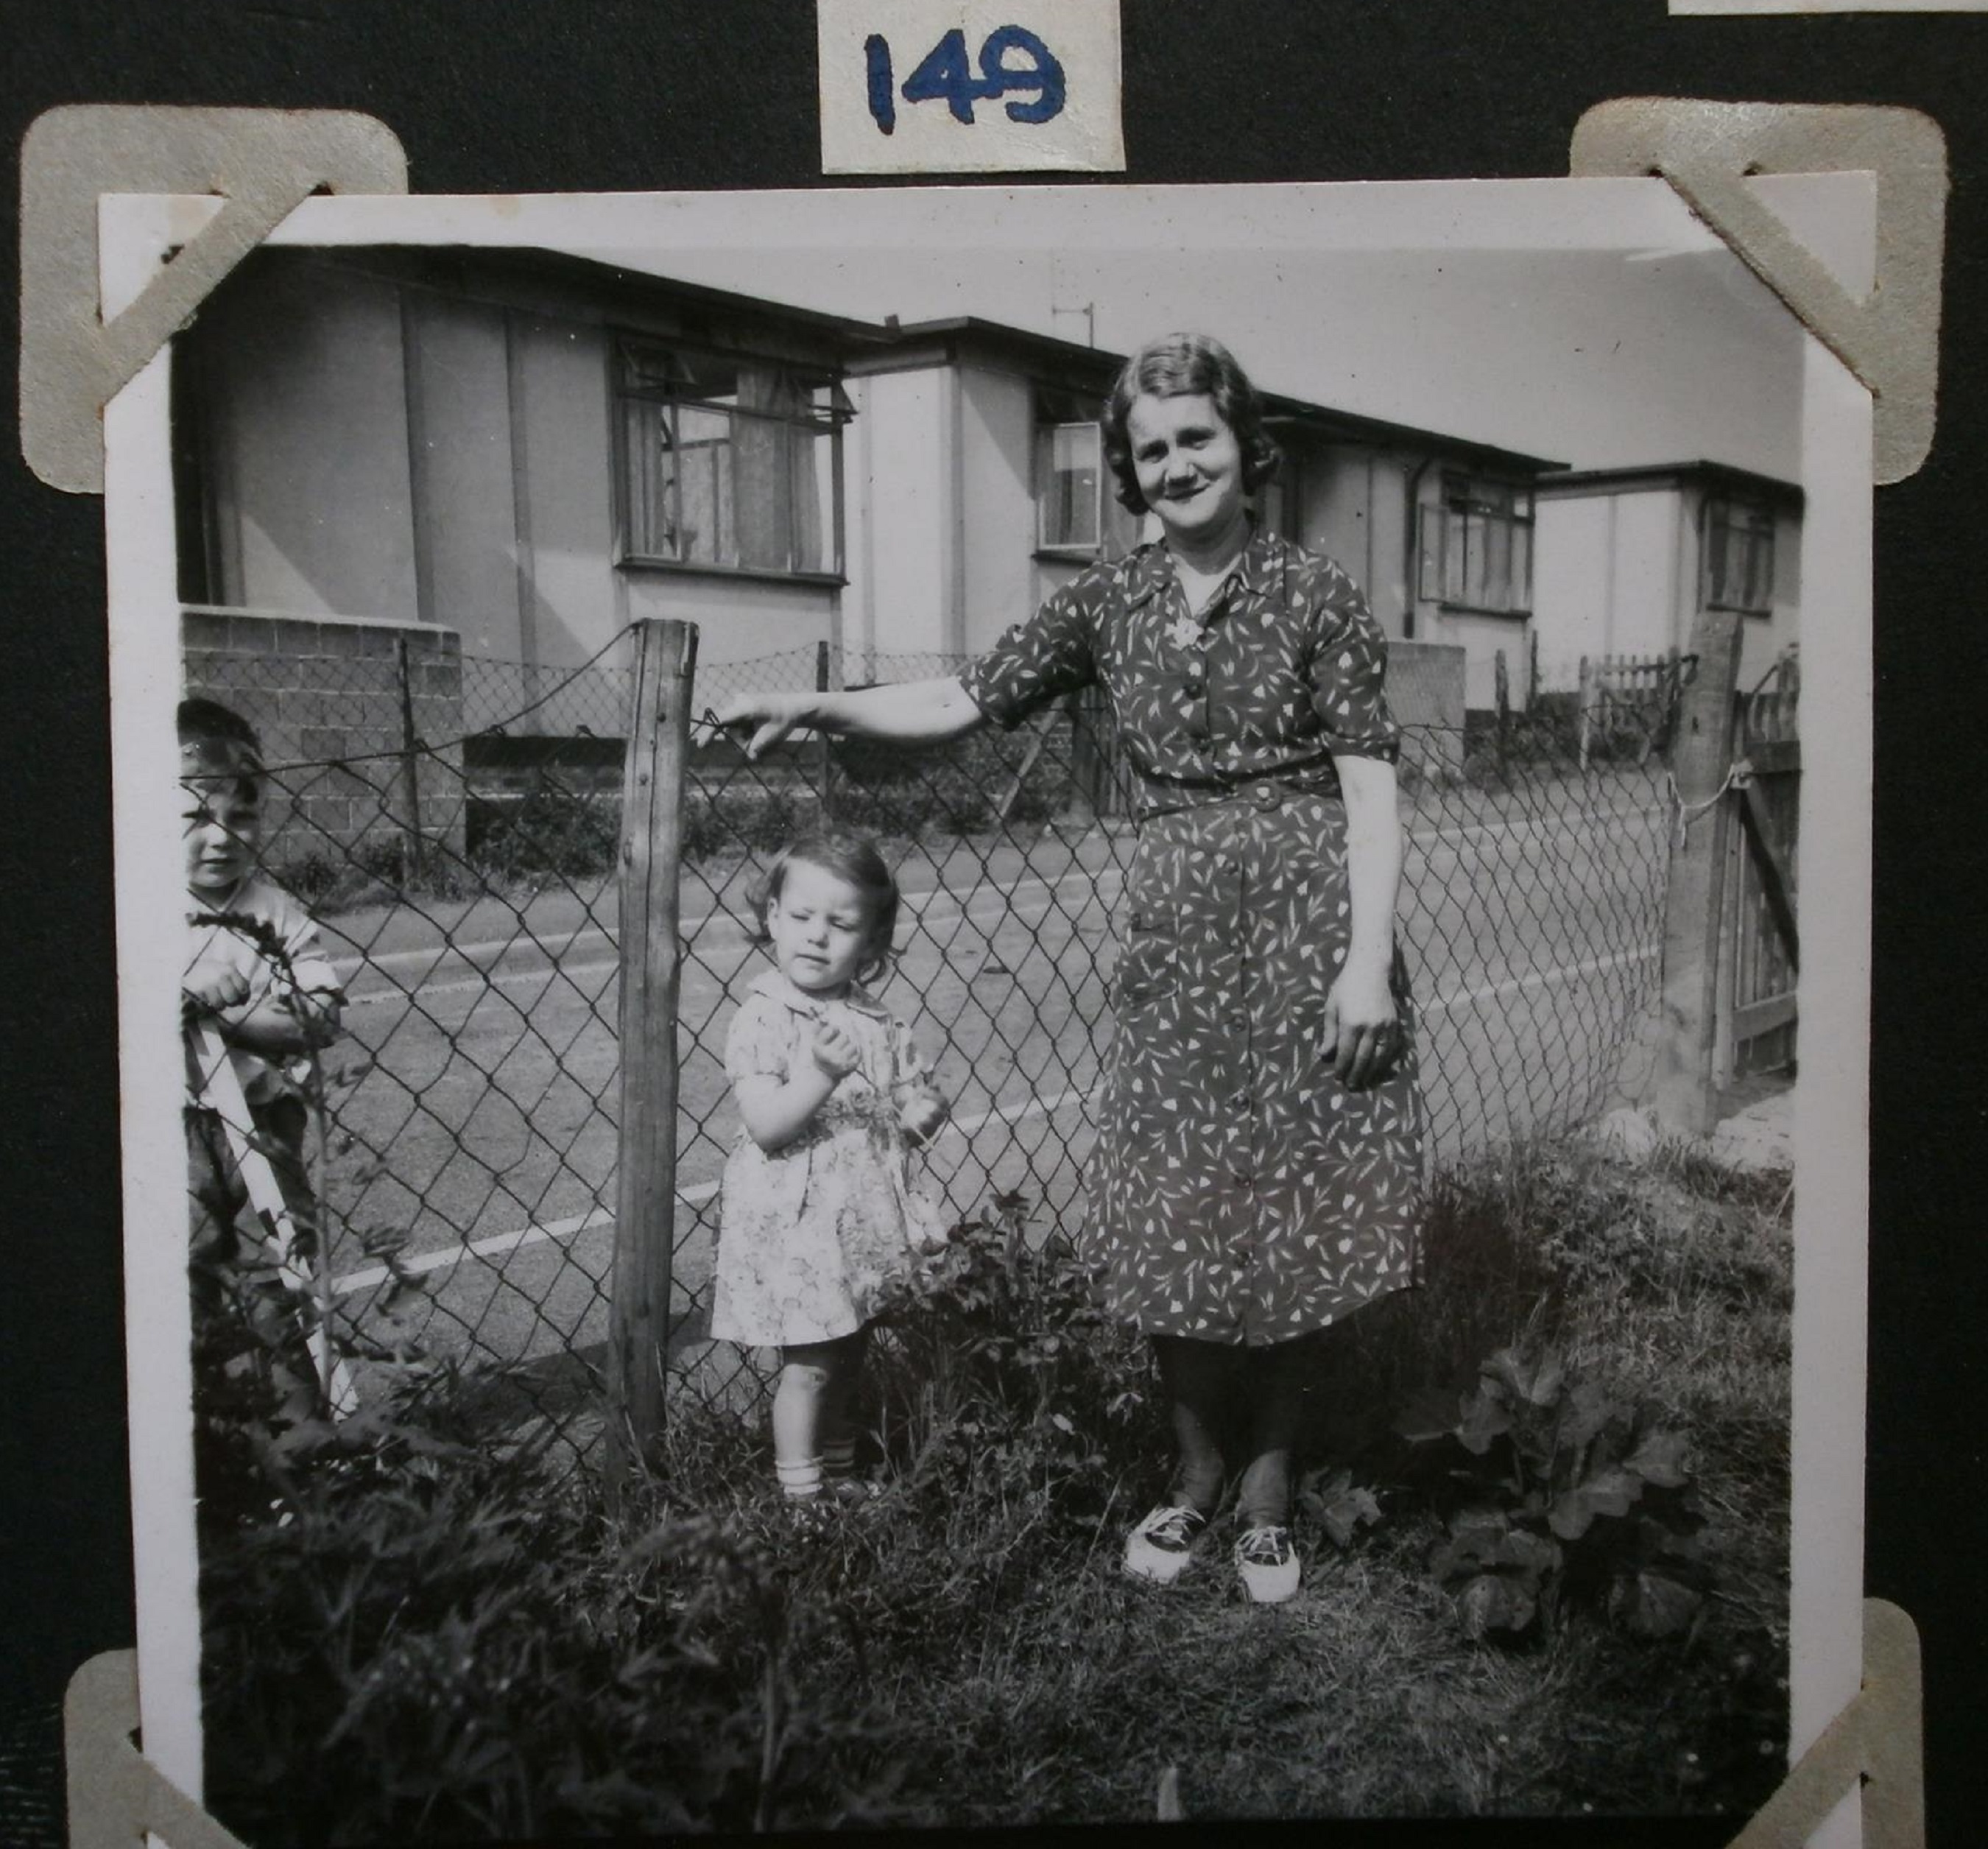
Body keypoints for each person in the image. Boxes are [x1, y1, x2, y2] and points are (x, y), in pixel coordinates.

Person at [715, 332, 1424, 1601]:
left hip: (1316, 937)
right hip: (1180, 947)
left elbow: (1372, 793)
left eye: (1197, 438)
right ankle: (1190, 1478)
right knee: (1174, 1214)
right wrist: (826, 708)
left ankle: (1268, 1494)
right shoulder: (1109, 603)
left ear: (1244, 446)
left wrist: (1366, 963)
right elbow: (963, 700)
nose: (1177, 464)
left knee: (1296, 1213)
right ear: (1130, 475)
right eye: (1150, 452)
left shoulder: (1318, 594)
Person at [713, 832, 950, 1502]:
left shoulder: (879, 1022)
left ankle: (840, 1472)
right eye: (800, 917)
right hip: (799, 1228)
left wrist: (922, 1109)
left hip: (862, 1219)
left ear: (871, 944)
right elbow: (767, 1125)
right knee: (810, 1364)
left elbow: (902, 1102)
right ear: (771, 919)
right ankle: (800, 1498)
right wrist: (818, 1072)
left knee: (851, 1352)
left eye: (841, 924)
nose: (816, 937)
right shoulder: (764, 1015)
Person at [180, 698, 345, 1283]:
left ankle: (293, 1369)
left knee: (280, 1275)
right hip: (168, 1130)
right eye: (193, 817)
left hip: (265, 1119)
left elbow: (318, 1016)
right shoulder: (132, 910)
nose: (221, 837)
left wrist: (224, 1018)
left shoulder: (278, 914)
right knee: (183, 1275)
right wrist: (169, 990)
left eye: (242, 815)